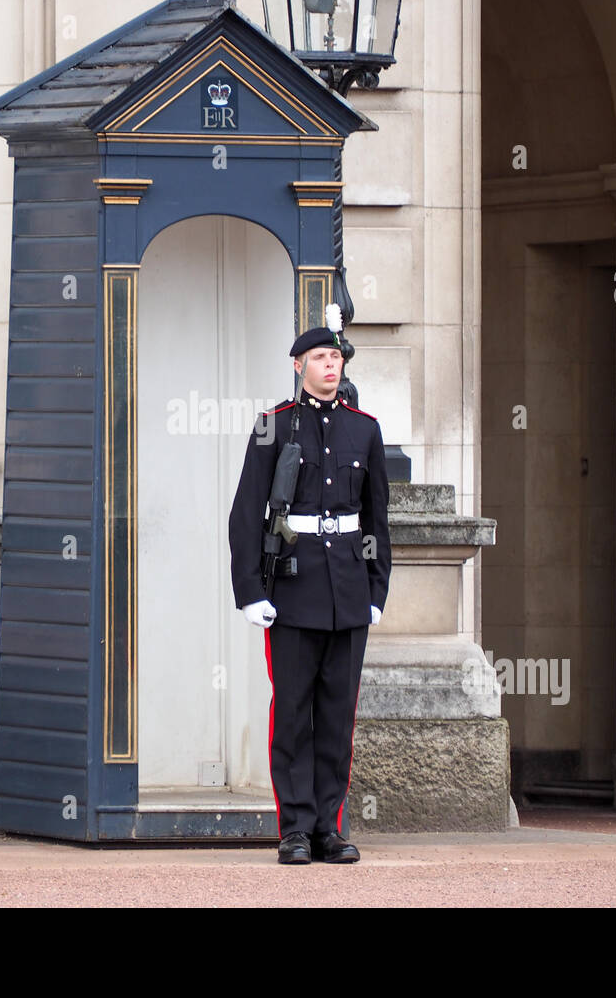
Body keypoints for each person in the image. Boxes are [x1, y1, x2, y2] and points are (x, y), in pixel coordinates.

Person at [227, 324, 392, 864]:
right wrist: (251, 590)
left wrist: (375, 587)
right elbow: (246, 513)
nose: (330, 365)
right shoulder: (273, 426)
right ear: (297, 365)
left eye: (336, 357)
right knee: (293, 714)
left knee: (338, 715)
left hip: (346, 591)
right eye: (319, 357)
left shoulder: (363, 430)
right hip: (294, 590)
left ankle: (329, 828)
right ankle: (295, 829)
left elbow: (375, 520)